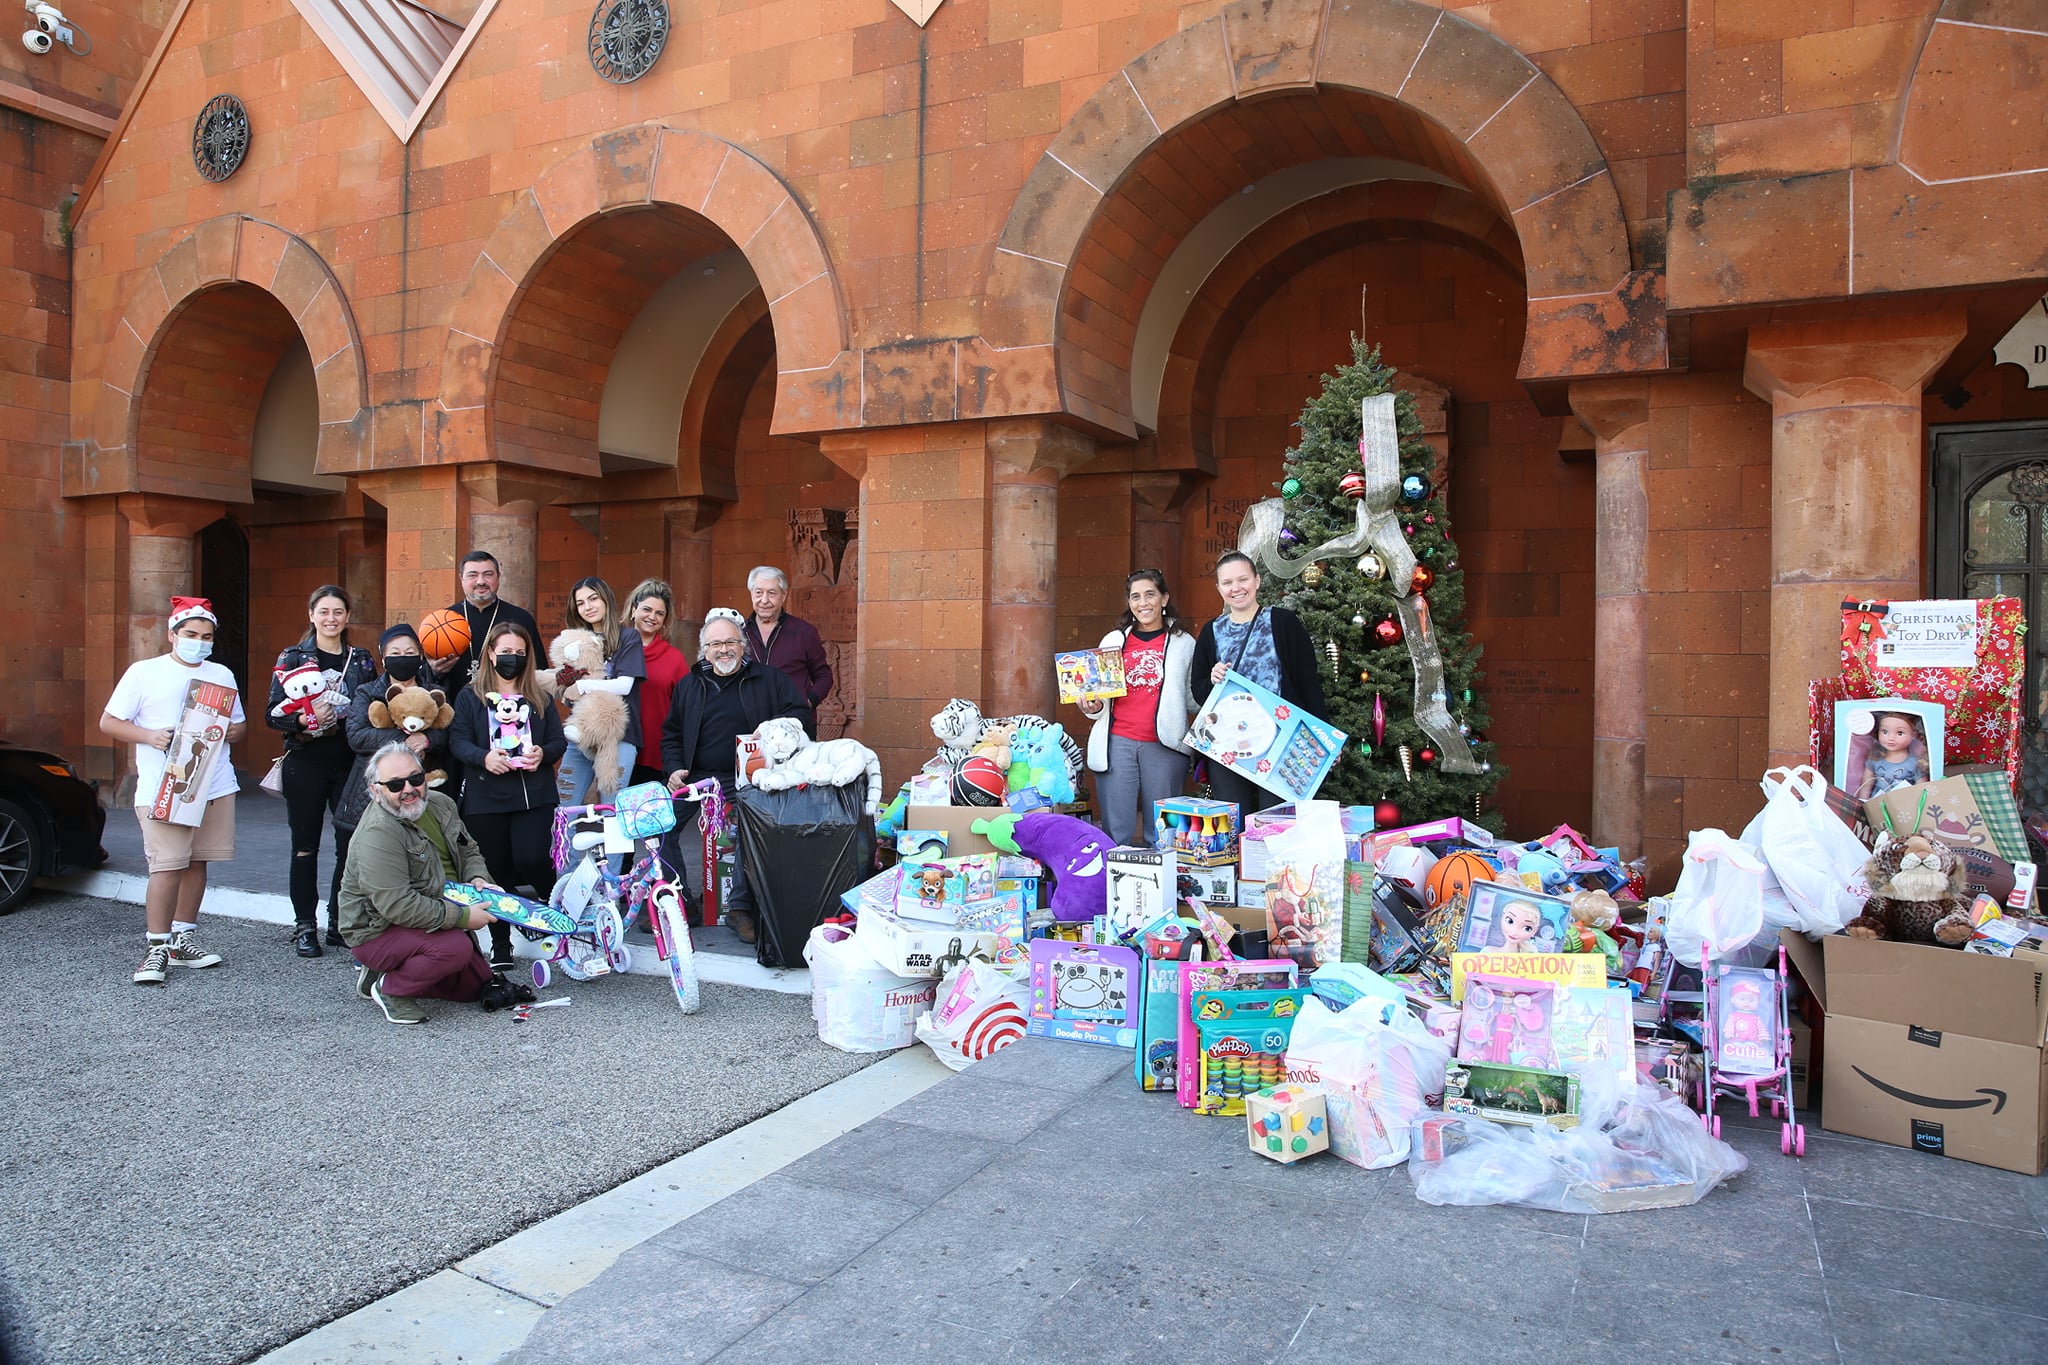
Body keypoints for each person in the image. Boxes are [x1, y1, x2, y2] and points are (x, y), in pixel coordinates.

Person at [99, 596, 246, 985]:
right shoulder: (143, 672)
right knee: (166, 865)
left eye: (207, 636)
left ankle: (183, 939)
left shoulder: (222, 674)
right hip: (166, 786)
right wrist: (148, 735)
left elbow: (240, 725)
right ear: (173, 634)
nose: (199, 641)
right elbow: (109, 722)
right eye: (191, 634)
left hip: (213, 784)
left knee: (198, 862)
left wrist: (234, 731)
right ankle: (156, 948)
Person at [336, 741, 529, 1024]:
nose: (409, 789)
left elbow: (469, 850)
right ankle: (390, 990)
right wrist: (463, 916)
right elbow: (399, 906)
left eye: (416, 778)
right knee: (453, 950)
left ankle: (386, 973)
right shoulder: (378, 834)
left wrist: (478, 878)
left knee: (476, 987)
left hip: (431, 908)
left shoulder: (441, 804)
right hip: (376, 929)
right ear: (375, 791)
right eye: (395, 784)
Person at [662, 608, 809, 943]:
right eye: (715, 644)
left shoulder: (769, 680)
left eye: (730, 642)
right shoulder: (689, 684)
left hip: (747, 776)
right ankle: (681, 901)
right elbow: (670, 733)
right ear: (704, 650)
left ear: (743, 645)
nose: (723, 649)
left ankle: (739, 907)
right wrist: (673, 768)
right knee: (660, 824)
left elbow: (800, 715)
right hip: (696, 775)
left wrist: (772, 732)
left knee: (751, 823)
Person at [265, 584, 377, 958]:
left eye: (338, 612)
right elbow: (272, 714)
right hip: (306, 761)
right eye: (324, 612)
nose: (331, 619)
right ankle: (304, 926)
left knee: (349, 847)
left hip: (350, 764)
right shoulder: (293, 657)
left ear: (347, 617)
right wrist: (301, 719)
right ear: (311, 615)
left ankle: (339, 921)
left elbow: (372, 708)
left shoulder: (360, 660)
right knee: (305, 847)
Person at [448, 621, 565, 973]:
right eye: (505, 652)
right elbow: (457, 740)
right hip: (486, 798)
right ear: (490, 653)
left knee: (532, 858)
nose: (511, 658)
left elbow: (558, 741)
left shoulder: (539, 698)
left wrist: (542, 754)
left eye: (519, 653)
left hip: (534, 795)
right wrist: (482, 757)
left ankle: (552, 905)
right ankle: (501, 944)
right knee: (494, 872)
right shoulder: (470, 696)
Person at [1188, 551, 1328, 816]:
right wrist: (1213, 679)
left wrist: (1321, 737)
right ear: (1219, 588)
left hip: (1280, 742)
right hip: (1227, 743)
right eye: (1227, 583)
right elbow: (1199, 692)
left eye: (1243, 579)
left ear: (1257, 581)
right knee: (1231, 821)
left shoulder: (1283, 623)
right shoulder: (1211, 631)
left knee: (1275, 822)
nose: (1236, 588)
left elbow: (1308, 683)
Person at [1078, 569, 1196, 846]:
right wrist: (1091, 706)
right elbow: (1099, 701)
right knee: (1115, 830)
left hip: (1165, 744)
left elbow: (1193, 698)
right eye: (1136, 597)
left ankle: (1164, 887)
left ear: (1164, 598)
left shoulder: (1184, 642)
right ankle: (1113, 886)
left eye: (1150, 595)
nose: (1143, 603)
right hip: (1117, 742)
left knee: (1164, 834)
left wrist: (1218, 682)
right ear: (1129, 603)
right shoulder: (1112, 641)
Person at [336, 624, 454, 855]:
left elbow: (449, 730)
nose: (403, 659)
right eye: (395, 654)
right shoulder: (367, 692)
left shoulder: (435, 692)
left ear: (420, 656)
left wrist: (428, 739)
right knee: (357, 858)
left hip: (421, 789)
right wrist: (406, 738)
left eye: (410, 653)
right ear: (383, 657)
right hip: (370, 790)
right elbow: (357, 736)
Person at [551, 576, 637, 805]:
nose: (588, 607)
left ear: (606, 599)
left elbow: (624, 685)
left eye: (593, 599)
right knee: (563, 805)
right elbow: (567, 688)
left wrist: (583, 686)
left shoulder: (628, 636)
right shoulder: (574, 641)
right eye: (580, 603)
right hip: (582, 733)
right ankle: (564, 843)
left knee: (612, 809)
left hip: (619, 736)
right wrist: (567, 691)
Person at [426, 550, 539, 700]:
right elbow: (423, 677)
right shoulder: (441, 622)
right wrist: (435, 672)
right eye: (472, 575)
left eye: (488, 574)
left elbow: (537, 671)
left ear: (498, 577)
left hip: (508, 713)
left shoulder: (520, 618)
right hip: (452, 709)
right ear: (461, 579)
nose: (481, 581)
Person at [611, 578, 688, 789]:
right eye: (647, 609)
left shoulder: (674, 659)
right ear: (633, 609)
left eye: (659, 613)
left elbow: (685, 709)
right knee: (612, 816)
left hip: (655, 754)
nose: (652, 617)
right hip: (614, 747)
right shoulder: (612, 648)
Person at [742, 565, 832, 731]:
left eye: (772, 593)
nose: (764, 600)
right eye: (758, 592)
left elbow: (824, 675)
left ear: (784, 595)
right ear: (751, 594)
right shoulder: (739, 634)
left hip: (795, 725)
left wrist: (808, 701)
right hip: (749, 726)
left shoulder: (803, 632)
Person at [1857, 711, 1928, 800]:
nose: (1890, 738)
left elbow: (1922, 789)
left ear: (1913, 735)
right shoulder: (1875, 758)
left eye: (1900, 733)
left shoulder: (1915, 763)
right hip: (1877, 803)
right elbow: (1866, 786)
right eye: (1885, 731)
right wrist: (1862, 804)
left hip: (1904, 805)